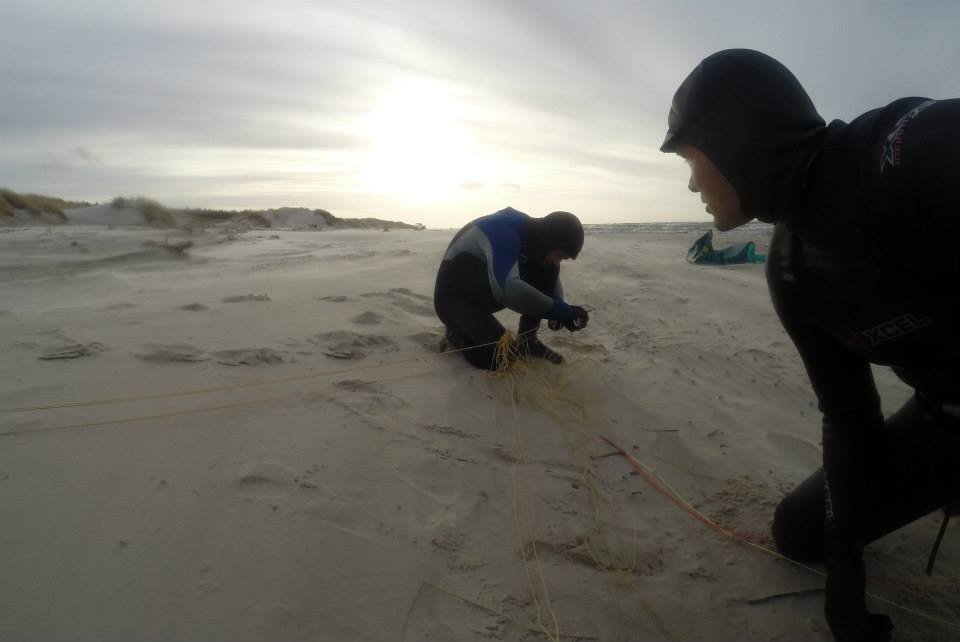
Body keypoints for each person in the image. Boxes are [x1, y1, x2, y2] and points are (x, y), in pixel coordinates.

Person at [660, 49, 960, 642]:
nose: (691, 181)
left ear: (735, 140)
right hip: (947, 417)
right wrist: (847, 568)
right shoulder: (793, 271)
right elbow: (849, 416)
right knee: (802, 532)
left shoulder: (909, 149)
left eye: (690, 157)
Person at [434, 207, 589, 370]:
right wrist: (563, 312)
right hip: (452, 299)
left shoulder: (536, 237)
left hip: (482, 293)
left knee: (545, 267)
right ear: (548, 241)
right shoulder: (502, 230)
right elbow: (508, 290)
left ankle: (527, 341)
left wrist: (559, 311)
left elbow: (550, 279)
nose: (558, 262)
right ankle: (455, 333)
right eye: (559, 255)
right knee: (500, 359)